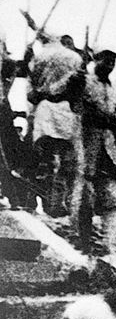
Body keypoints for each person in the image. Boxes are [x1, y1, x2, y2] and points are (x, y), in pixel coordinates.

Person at [26, 32, 85, 220]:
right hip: (65, 111)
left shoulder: (40, 57)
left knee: (44, 159)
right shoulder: (75, 59)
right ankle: (55, 203)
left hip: (44, 109)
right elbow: (78, 90)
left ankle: (37, 201)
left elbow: (31, 88)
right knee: (63, 163)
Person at [79, 48, 116, 255]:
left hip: (107, 146)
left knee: (110, 197)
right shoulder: (84, 81)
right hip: (87, 143)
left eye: (112, 63)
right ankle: (83, 242)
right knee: (85, 197)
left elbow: (114, 110)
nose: (109, 66)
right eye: (105, 61)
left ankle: (109, 244)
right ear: (95, 61)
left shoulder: (113, 87)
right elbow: (79, 107)